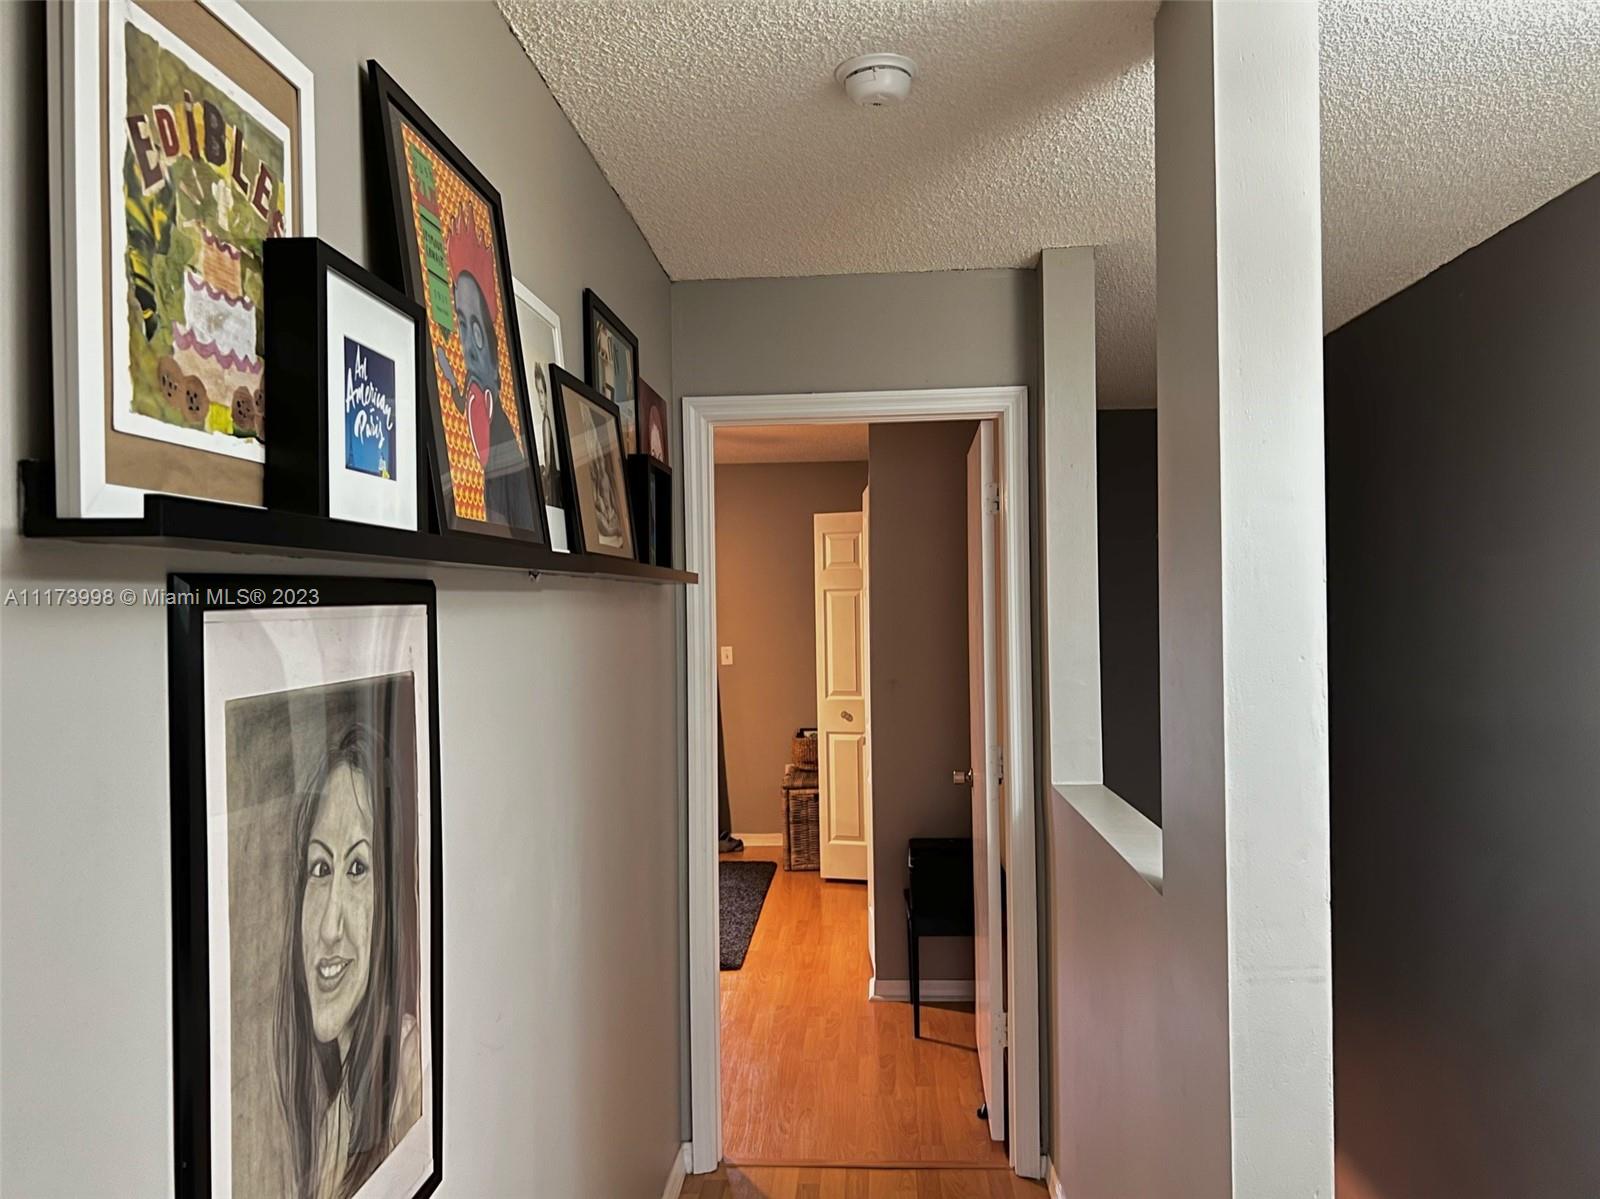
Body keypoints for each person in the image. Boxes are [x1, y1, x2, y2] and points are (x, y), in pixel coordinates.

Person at [277, 725, 421, 1199]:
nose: (329, 927)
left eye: (358, 868)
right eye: (320, 869)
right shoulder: (332, 1119)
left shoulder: (412, 1072)